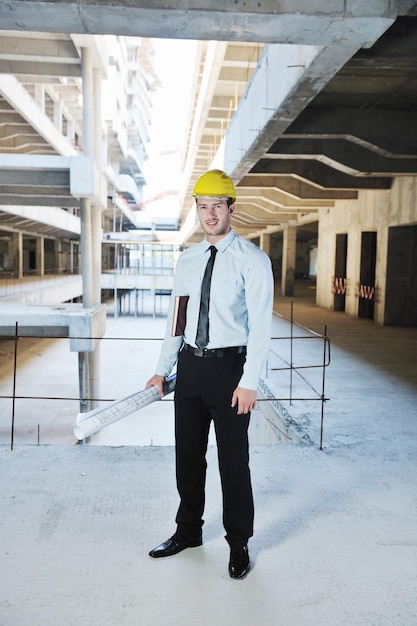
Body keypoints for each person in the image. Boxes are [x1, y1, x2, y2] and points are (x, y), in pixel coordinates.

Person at [145, 169, 274, 579]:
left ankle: (238, 544)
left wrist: (250, 380)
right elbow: (177, 319)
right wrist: (161, 370)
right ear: (197, 209)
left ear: (231, 208)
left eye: (218, 205)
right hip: (191, 366)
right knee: (188, 457)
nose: (210, 213)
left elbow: (261, 327)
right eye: (203, 206)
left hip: (230, 370)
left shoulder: (252, 260)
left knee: (234, 463)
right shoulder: (188, 258)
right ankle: (188, 532)